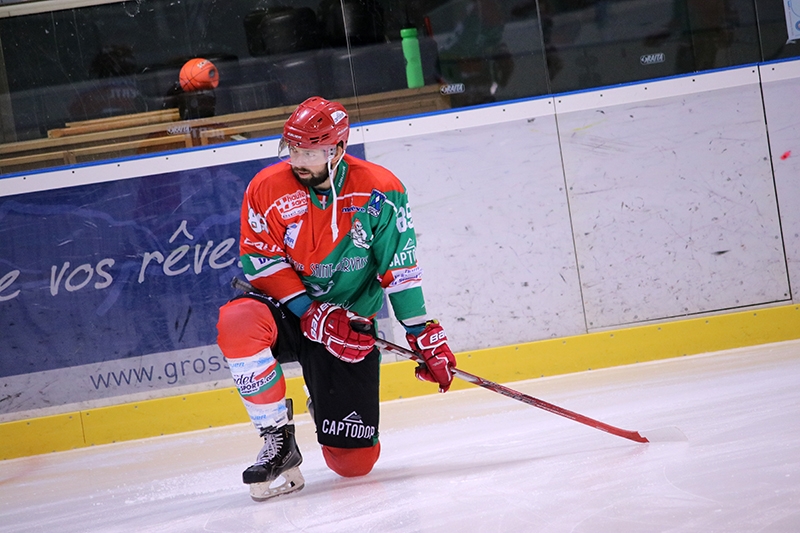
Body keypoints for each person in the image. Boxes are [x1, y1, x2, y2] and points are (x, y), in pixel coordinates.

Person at [216, 96, 457, 502]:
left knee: (354, 464)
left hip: (345, 326)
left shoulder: (381, 189)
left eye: (310, 151)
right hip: (287, 310)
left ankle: (324, 400)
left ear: (339, 150)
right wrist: (308, 311)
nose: (298, 159)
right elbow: (260, 262)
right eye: (293, 149)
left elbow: (399, 264)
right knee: (237, 323)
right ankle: (277, 439)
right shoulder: (266, 188)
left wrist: (420, 332)